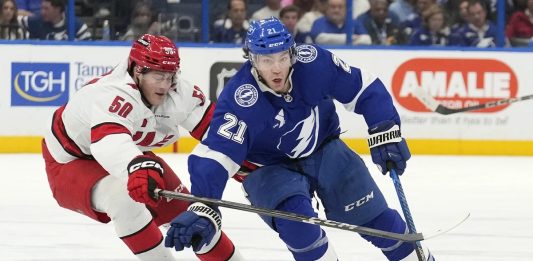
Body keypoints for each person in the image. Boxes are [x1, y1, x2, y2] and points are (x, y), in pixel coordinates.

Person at [165, 17, 435, 261]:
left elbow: (364, 88)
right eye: (266, 60)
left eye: (283, 57)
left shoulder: (314, 63)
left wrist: (384, 128)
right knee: (301, 232)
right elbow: (216, 155)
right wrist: (203, 205)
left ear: (293, 52)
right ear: (251, 59)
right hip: (270, 169)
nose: (277, 68)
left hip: (325, 150)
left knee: (380, 223)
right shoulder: (241, 99)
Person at [42, 34, 244, 261]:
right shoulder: (111, 94)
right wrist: (136, 167)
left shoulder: (179, 91)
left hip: (130, 155)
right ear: (138, 70)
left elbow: (219, 134)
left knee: (195, 216)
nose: (165, 85)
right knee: (122, 199)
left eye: (170, 76)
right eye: (158, 76)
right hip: (69, 162)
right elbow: (109, 142)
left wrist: (246, 163)